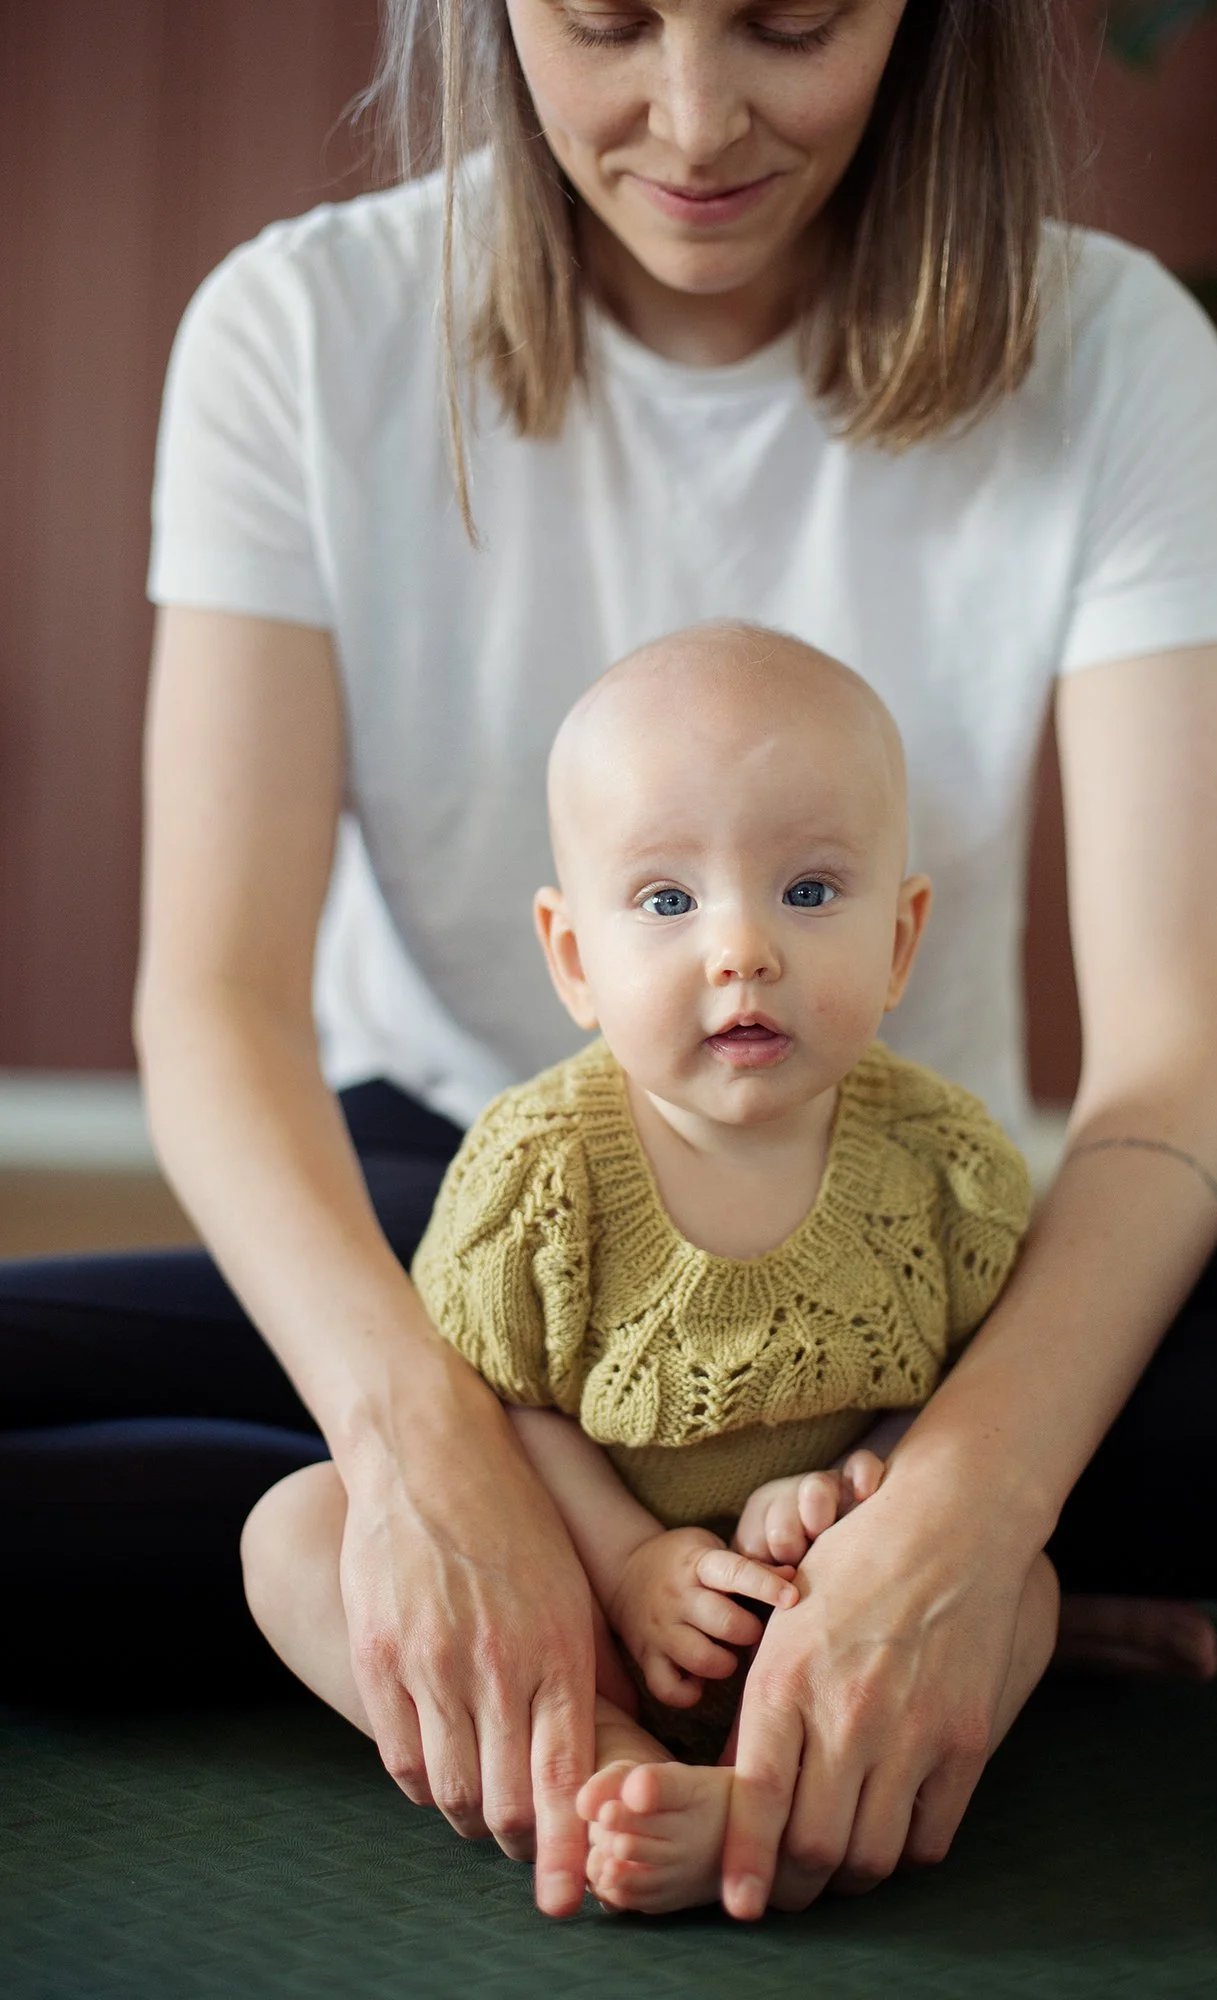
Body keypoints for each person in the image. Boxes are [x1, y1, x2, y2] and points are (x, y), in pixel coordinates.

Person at [3, 0, 1217, 1926]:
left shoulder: (1120, 350)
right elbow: (213, 1004)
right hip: (452, 1232)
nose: (695, 120)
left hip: (899, 1310)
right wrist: (433, 1455)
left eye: (790, 23)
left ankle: (812, 1597)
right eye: (607, 22)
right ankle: (671, 1619)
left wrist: (973, 1506)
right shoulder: (295, 331)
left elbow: (1182, 1052)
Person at [241, 622, 1054, 1916]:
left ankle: (777, 1787)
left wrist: (857, 1488)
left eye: (809, 891)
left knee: (1029, 1591)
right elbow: (501, 1416)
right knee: (293, 1531)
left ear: (902, 942)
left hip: (832, 1623)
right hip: (573, 1609)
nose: (743, 950)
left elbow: (970, 1403)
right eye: (669, 902)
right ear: (574, 958)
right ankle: (600, 1762)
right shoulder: (537, 1174)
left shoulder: (945, 1170)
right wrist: (626, 1566)